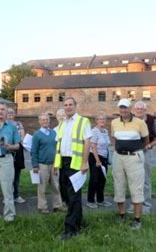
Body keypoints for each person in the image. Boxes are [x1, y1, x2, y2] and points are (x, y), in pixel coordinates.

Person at [54, 97, 92, 240]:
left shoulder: (83, 121)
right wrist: (55, 164)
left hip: (75, 163)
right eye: (66, 105)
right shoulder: (63, 123)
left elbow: (87, 141)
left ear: (76, 106)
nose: (68, 107)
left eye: (71, 105)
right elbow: (59, 145)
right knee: (66, 194)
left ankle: (70, 229)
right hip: (63, 162)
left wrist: (85, 162)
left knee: (74, 196)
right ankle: (78, 221)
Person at [111, 98, 149, 230]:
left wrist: (137, 150)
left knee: (136, 187)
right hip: (118, 157)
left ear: (130, 108)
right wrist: (117, 149)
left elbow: (146, 140)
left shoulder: (140, 123)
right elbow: (114, 138)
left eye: (125, 107)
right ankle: (122, 214)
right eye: (121, 108)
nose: (123, 110)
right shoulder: (114, 122)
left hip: (134, 157)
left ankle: (137, 219)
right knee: (118, 185)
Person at [130, 101, 156, 214]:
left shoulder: (152, 120)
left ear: (145, 110)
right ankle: (134, 203)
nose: (139, 111)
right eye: (137, 109)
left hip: (146, 152)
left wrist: (149, 145)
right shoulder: (131, 120)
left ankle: (146, 205)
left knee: (146, 180)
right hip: (133, 153)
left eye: (141, 109)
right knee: (134, 179)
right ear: (134, 110)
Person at [31, 113, 64, 214]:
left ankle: (57, 206)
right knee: (42, 188)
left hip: (54, 164)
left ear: (49, 121)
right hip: (42, 165)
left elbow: (57, 148)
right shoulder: (37, 135)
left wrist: (56, 163)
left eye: (47, 119)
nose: (45, 121)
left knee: (56, 186)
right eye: (43, 120)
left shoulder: (54, 133)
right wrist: (35, 165)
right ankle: (42, 207)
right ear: (39, 121)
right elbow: (34, 151)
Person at [86, 112, 112, 208]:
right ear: (96, 121)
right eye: (99, 119)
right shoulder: (94, 131)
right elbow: (93, 146)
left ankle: (100, 200)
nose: (102, 120)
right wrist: (97, 160)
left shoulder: (105, 131)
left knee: (102, 179)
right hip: (95, 157)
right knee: (94, 179)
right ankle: (90, 200)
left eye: (103, 119)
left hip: (104, 158)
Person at [6, 108, 26, 204]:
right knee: (7, 176)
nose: (10, 116)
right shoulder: (3, 124)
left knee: (16, 175)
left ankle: (16, 195)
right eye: (8, 114)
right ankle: (7, 197)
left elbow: (22, 136)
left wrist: (16, 143)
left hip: (17, 151)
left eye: (12, 114)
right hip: (7, 151)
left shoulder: (18, 124)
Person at [54, 108, 67, 205]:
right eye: (59, 116)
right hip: (58, 159)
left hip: (69, 158)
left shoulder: (71, 128)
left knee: (68, 179)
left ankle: (69, 198)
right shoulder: (54, 130)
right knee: (60, 180)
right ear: (56, 117)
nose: (61, 117)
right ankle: (62, 199)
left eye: (63, 115)